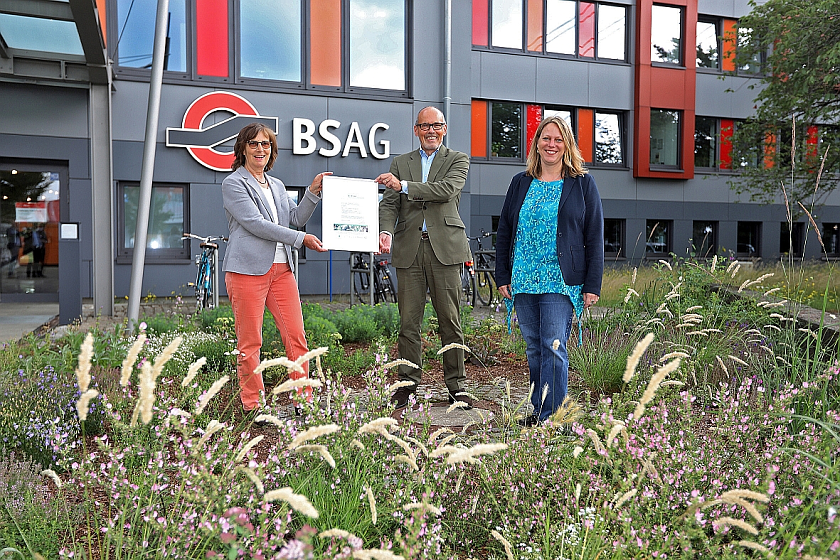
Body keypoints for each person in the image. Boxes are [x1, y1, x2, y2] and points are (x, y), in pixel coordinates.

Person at [495, 115, 604, 427]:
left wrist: (592, 284)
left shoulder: (582, 183)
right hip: (524, 278)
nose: (551, 144)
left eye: (558, 139)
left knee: (553, 345)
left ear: (566, 144)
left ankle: (555, 419)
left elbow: (594, 235)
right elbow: (504, 230)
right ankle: (540, 409)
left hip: (561, 279)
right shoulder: (521, 182)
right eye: (546, 138)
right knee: (533, 348)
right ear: (537, 144)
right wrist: (503, 275)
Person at [222, 122, 330, 413]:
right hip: (246, 271)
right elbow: (256, 225)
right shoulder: (234, 183)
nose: (260, 149)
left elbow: (294, 218)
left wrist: (313, 192)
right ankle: (253, 405)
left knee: (296, 336)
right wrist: (301, 239)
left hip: (282, 270)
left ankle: (302, 399)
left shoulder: (278, 185)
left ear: (272, 150)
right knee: (250, 342)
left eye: (266, 144)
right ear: (243, 148)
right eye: (254, 144)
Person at [377, 106, 474, 410]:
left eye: (437, 126)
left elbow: (445, 191)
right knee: (408, 323)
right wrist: (385, 231)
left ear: (444, 129)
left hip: (445, 248)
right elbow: (390, 204)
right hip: (409, 249)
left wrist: (404, 186)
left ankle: (456, 387)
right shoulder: (400, 162)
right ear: (416, 130)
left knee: (450, 320)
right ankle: (407, 386)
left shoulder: (457, 159)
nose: (431, 131)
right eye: (424, 126)